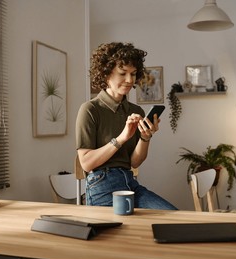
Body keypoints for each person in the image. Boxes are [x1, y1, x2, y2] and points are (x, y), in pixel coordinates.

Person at [75, 42, 177, 210]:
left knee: (175, 218)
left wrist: (145, 137)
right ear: (106, 73)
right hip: (101, 186)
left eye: (134, 74)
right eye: (123, 73)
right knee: (121, 233)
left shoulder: (135, 111)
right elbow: (86, 163)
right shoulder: (90, 110)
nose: (130, 80)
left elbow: (135, 162)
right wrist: (122, 138)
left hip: (130, 183)